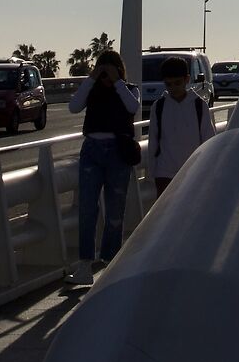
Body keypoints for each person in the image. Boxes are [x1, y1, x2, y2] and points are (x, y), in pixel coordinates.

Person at [68, 46, 140, 288]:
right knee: (87, 209)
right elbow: (74, 106)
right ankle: (85, 265)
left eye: (111, 72)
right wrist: (91, 78)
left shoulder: (129, 90)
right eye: (104, 73)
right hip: (92, 150)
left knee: (115, 212)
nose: (107, 77)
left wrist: (118, 82)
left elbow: (133, 107)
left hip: (118, 152)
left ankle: (110, 262)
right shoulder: (92, 90)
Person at [149, 55, 214, 199]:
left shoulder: (199, 105)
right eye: (168, 84)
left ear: (187, 79)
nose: (173, 88)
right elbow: (153, 139)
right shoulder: (158, 106)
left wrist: (208, 169)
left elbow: (208, 138)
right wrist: (152, 170)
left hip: (194, 172)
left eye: (177, 83)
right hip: (164, 173)